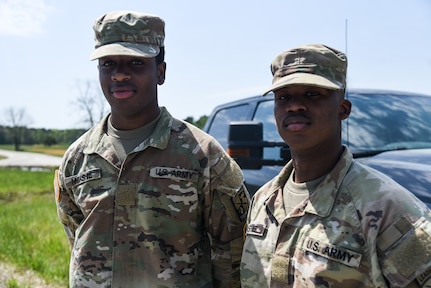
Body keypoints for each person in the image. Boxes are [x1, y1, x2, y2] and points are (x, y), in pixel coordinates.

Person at [54, 10, 249, 288]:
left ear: (160, 71)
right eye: (108, 64)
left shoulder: (202, 155)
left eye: (135, 62)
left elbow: (232, 255)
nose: (120, 75)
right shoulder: (77, 159)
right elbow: (76, 237)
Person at [240, 44, 431, 287]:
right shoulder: (262, 200)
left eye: (312, 94)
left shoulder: (386, 208)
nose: (295, 105)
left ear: (343, 109)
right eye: (284, 97)